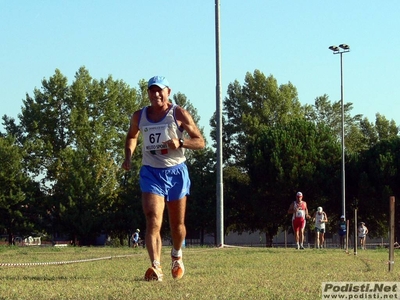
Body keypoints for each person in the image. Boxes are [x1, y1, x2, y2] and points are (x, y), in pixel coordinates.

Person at [122, 75, 205, 281]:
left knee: (177, 226)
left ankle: (177, 254)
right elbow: (132, 135)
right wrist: (128, 157)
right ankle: (155, 267)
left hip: (176, 171)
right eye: (152, 90)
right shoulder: (139, 116)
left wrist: (181, 142)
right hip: (151, 172)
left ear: (168, 91)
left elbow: (201, 142)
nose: (156, 94)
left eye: (160, 90)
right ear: (148, 93)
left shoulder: (179, 114)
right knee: (152, 219)